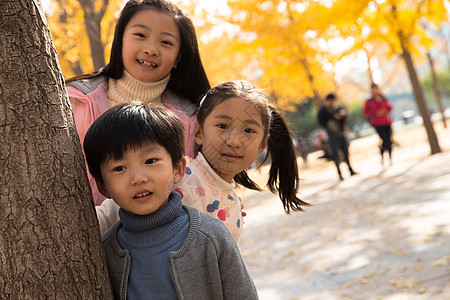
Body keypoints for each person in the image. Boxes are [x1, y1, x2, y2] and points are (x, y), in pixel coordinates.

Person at [83, 102, 258, 299]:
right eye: (119, 168)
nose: (138, 178)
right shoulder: (106, 252)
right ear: (103, 186)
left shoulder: (211, 236)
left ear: (178, 169)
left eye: (150, 161)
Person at [96, 80, 310, 241]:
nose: (234, 141)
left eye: (249, 130)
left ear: (262, 144)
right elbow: (110, 214)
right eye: (222, 126)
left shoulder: (234, 209)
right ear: (198, 132)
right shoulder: (177, 173)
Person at [66, 0, 210, 205]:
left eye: (166, 42)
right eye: (140, 35)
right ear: (120, 39)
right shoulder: (76, 102)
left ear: (178, 57)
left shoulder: (190, 121)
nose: (151, 49)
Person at [317, 93, 357, 181]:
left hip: (341, 133)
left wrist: (342, 115)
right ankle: (340, 174)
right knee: (336, 155)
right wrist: (333, 119)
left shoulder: (337, 108)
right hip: (332, 136)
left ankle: (350, 169)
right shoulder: (322, 111)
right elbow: (321, 122)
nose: (332, 103)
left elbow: (344, 116)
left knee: (346, 152)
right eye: (330, 101)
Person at [364, 83, 393, 165]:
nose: (375, 90)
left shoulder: (383, 98)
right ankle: (383, 156)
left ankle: (390, 158)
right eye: (373, 89)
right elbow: (366, 112)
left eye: (376, 88)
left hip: (386, 121)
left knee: (389, 140)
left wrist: (385, 110)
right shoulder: (369, 101)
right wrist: (376, 113)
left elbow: (390, 107)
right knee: (384, 140)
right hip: (377, 123)